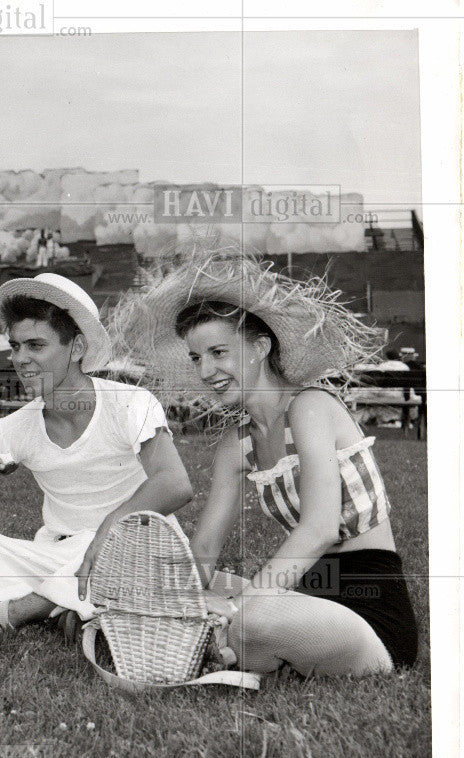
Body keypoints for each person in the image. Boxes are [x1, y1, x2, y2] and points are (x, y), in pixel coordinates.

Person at [114, 255, 418, 675]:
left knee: (249, 617)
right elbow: (204, 551)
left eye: (219, 352)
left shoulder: (310, 406)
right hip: (304, 597)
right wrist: (168, 595)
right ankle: (227, 641)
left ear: (260, 347)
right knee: (160, 585)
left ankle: (225, 640)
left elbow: (319, 529)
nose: (207, 370)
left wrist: (236, 607)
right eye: (196, 358)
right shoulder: (235, 444)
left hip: (368, 613)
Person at [0, 273, 193, 634]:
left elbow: (175, 484)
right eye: (15, 346)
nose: (20, 359)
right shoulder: (20, 424)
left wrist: (110, 526)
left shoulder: (129, 403)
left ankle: (23, 609)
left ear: (76, 348)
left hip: (128, 543)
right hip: (53, 557)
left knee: (136, 542)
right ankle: (68, 603)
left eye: (35, 346)